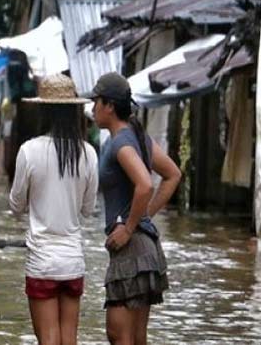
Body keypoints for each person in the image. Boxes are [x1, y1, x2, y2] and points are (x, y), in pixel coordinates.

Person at [86, 72, 181, 345]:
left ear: (110, 106)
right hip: (145, 247)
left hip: (132, 249)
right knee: (136, 338)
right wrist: (143, 217)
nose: (93, 108)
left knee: (118, 335)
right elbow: (173, 174)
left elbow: (145, 185)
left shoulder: (121, 143)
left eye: (96, 102)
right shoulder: (137, 137)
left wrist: (129, 227)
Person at [9, 74, 99, 345]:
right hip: (73, 260)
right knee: (69, 340)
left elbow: (16, 206)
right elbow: (87, 209)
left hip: (42, 261)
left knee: (48, 340)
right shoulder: (88, 153)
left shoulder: (29, 151)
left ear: (43, 110)